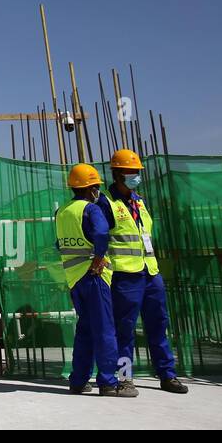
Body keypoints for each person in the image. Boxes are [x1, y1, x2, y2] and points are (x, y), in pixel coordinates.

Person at [105, 148, 189, 394]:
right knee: (125, 329)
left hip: (150, 273)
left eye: (137, 172)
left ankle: (167, 375)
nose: (136, 176)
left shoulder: (138, 201)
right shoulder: (106, 202)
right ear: (118, 174)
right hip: (124, 275)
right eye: (132, 172)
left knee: (159, 324)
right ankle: (124, 378)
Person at [56, 163, 134, 396]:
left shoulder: (62, 212)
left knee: (86, 329)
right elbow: (101, 234)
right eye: (96, 187)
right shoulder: (91, 209)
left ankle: (78, 380)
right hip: (94, 277)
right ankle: (109, 381)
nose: (97, 191)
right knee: (105, 330)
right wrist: (98, 258)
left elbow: (59, 244)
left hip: (74, 278)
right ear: (91, 189)